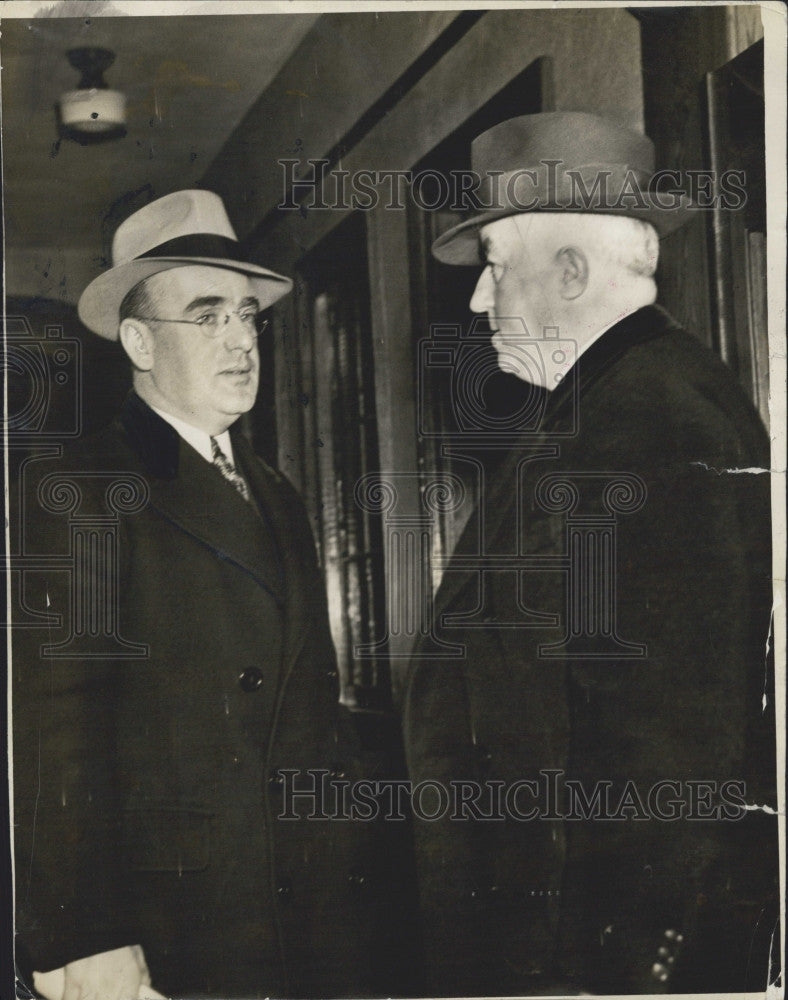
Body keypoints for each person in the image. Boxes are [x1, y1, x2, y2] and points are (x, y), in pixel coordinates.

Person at [403, 112, 778, 995]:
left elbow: (666, 753)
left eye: (494, 267)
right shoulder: (616, 402)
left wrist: (604, 977)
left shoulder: (641, 423)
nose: (477, 300)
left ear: (568, 272)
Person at [12, 190, 384, 999]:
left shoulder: (277, 491)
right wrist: (87, 935)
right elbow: (57, 732)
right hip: (178, 923)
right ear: (140, 341)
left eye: (248, 316)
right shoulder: (78, 484)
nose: (241, 341)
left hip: (309, 909)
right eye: (207, 316)